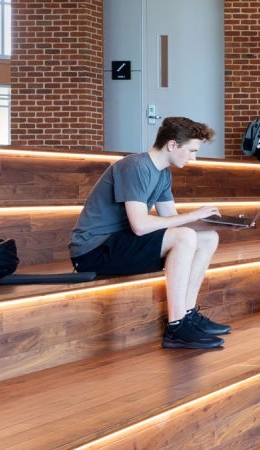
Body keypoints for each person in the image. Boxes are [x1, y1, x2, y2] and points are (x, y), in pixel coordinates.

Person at [70, 117, 230, 349]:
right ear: (172, 145)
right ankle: (176, 328)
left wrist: (216, 224)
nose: (194, 158)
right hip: (93, 250)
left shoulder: (163, 173)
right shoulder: (135, 166)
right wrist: (194, 215)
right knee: (184, 236)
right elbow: (140, 225)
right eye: (192, 151)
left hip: (121, 244)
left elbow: (170, 220)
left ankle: (188, 314)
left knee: (208, 238)